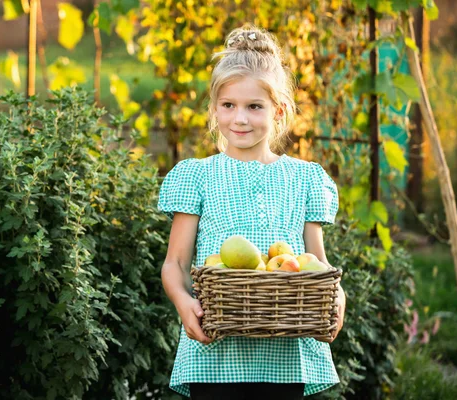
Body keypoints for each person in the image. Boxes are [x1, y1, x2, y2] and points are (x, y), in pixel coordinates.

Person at [157, 24, 346, 400]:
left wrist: (337, 298)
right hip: (215, 353)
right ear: (214, 109)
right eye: (228, 105)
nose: (239, 119)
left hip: (284, 354)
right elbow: (175, 264)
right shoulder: (197, 175)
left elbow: (317, 263)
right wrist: (184, 302)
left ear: (278, 110)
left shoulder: (304, 178)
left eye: (254, 106)